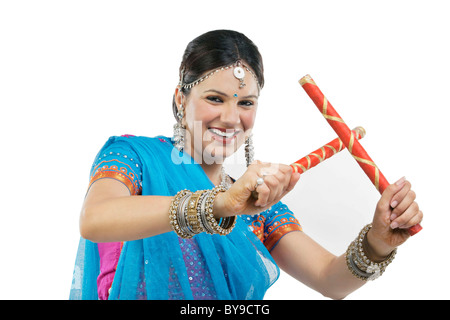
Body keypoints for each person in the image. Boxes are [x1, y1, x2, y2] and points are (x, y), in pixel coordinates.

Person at [70, 30, 423, 300]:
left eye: (245, 103)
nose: (230, 117)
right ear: (181, 98)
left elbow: (330, 280)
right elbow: (95, 218)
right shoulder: (135, 157)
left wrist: (378, 242)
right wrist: (220, 204)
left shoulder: (259, 203)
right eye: (214, 99)